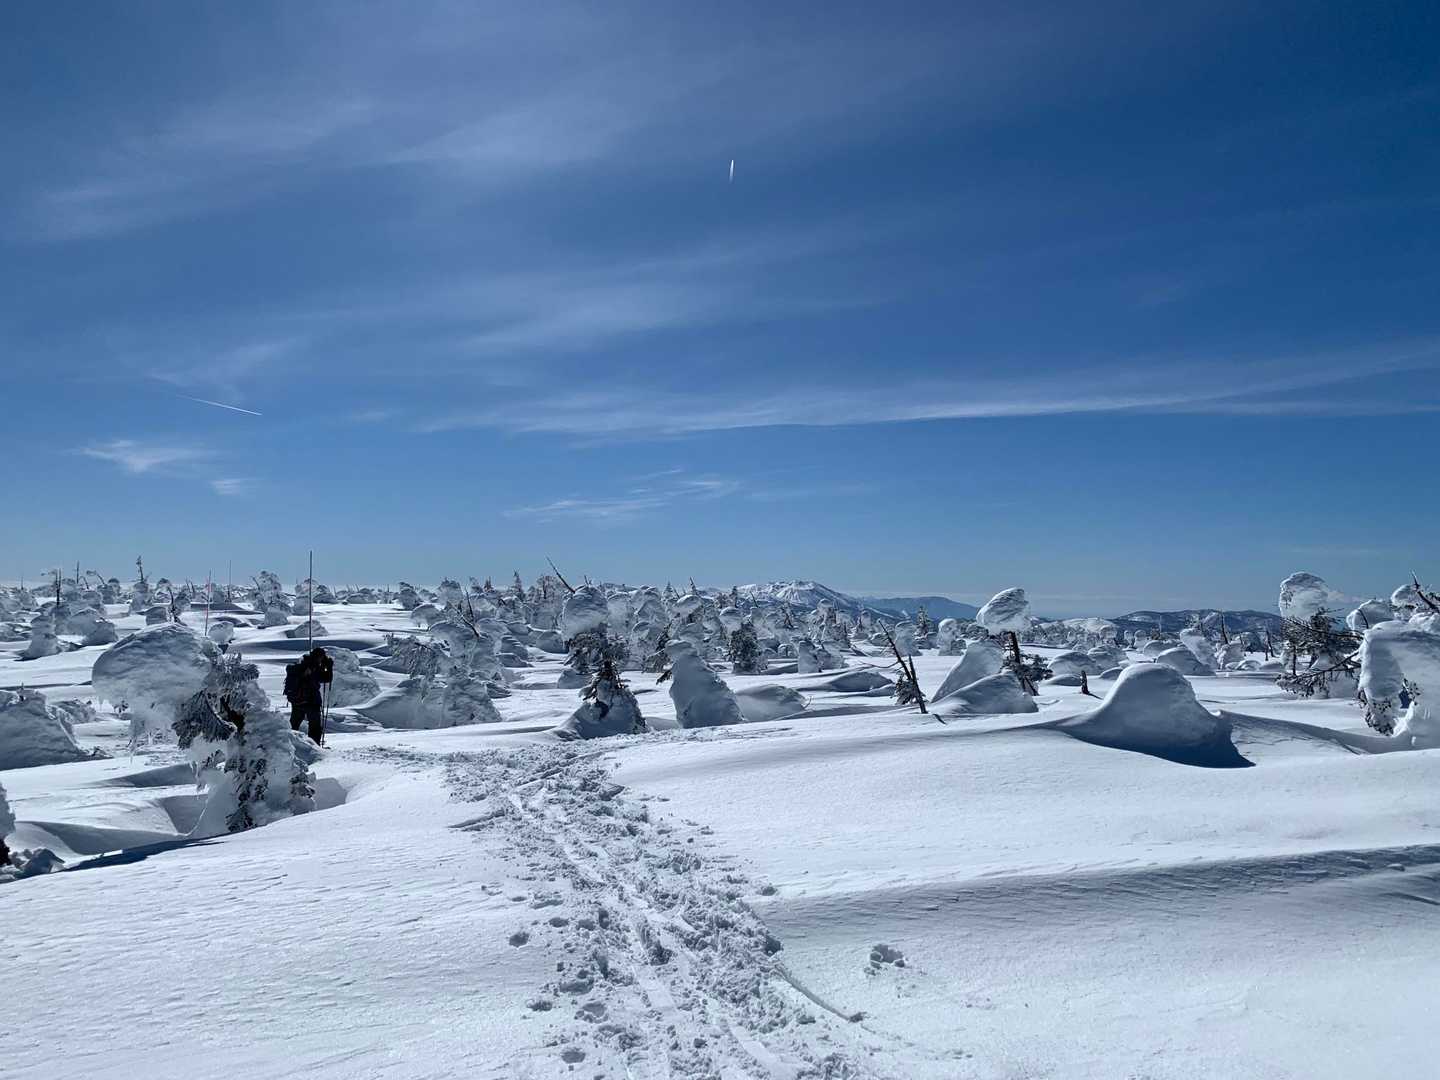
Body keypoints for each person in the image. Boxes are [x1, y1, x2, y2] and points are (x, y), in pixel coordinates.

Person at [283, 647, 333, 744]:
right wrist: (328, 666)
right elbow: (327, 678)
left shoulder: (302, 665)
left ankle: (289, 744)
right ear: (319, 657)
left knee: (294, 725)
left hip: (297, 700)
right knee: (315, 727)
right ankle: (314, 747)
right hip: (311, 701)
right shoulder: (314, 667)